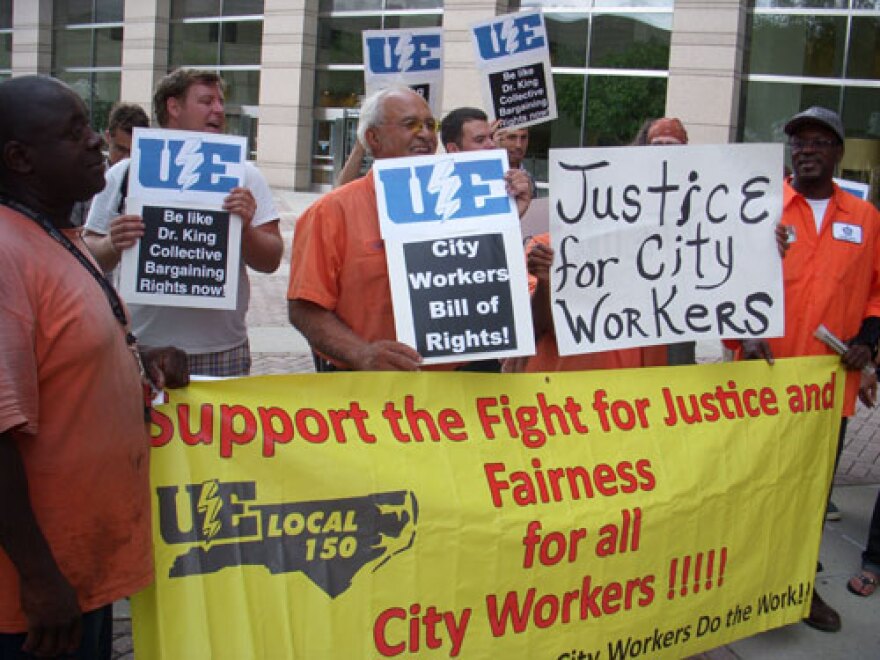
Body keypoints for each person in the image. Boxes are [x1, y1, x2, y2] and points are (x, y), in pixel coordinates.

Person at [0, 75, 187, 659]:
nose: (97, 143)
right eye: (74, 132)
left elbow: (65, 355)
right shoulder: (5, 254)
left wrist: (137, 359)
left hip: (83, 574)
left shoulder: (58, 233)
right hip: (34, 602)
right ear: (20, 158)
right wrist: (38, 578)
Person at [737, 106, 880, 633]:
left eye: (820, 141)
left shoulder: (866, 220)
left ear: (839, 152)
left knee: (810, 492)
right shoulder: (762, 206)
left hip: (825, 388)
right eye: (799, 141)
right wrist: (743, 336)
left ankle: (796, 591)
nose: (807, 150)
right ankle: (740, 590)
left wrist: (869, 340)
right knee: (752, 487)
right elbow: (723, 281)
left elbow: (876, 293)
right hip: (762, 380)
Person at [287, 85, 531, 372]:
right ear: (372, 138)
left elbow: (482, 278)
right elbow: (304, 308)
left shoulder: (461, 202)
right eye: (410, 124)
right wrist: (362, 354)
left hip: (456, 387)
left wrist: (507, 219)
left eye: (430, 125)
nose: (425, 134)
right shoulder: (330, 212)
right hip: (369, 388)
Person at [82, 69, 284, 377]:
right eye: (206, 101)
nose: (218, 109)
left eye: (220, 101)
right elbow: (88, 255)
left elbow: (270, 260)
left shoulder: (245, 175)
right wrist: (113, 243)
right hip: (142, 346)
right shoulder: (124, 173)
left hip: (222, 349)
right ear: (173, 107)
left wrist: (244, 230)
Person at [69, 102, 150, 227]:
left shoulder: (151, 188)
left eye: (133, 153)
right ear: (108, 137)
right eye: (120, 149)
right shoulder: (84, 179)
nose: (126, 159)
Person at [494, 125, 538, 198]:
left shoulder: (529, 179)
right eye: (512, 137)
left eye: (523, 138)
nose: (519, 145)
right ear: (497, 140)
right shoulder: (484, 174)